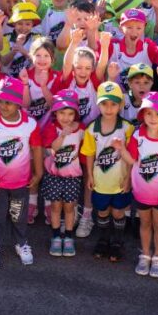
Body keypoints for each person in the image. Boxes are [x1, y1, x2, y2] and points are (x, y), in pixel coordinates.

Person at [0, 77, 43, 268]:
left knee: (19, 216)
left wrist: (38, 173)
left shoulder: (30, 124)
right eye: (0, 101)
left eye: (8, 102)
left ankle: (21, 243)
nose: (3, 106)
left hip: (22, 183)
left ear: (18, 103)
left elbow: (37, 148)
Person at [117, 93, 158, 279]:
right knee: (145, 223)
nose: (153, 118)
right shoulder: (137, 136)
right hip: (141, 192)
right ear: (143, 115)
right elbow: (132, 160)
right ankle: (145, 254)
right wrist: (121, 149)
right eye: (149, 113)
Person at [80, 82, 135, 262]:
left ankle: (117, 242)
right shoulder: (91, 129)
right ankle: (103, 239)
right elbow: (89, 153)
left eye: (113, 104)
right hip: (101, 180)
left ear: (120, 105)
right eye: (104, 104)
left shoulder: (127, 128)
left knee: (118, 212)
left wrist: (128, 179)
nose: (109, 108)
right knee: (102, 211)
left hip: (120, 179)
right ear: (98, 104)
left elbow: (131, 156)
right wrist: (89, 174)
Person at [40, 89, 86, 257]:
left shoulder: (81, 129)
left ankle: (68, 236)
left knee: (69, 207)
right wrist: (63, 135)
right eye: (62, 113)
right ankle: (55, 236)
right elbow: (51, 148)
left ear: (75, 114)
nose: (66, 118)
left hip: (73, 176)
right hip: (54, 175)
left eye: (70, 113)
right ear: (55, 113)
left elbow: (87, 148)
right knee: (55, 207)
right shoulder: (51, 128)